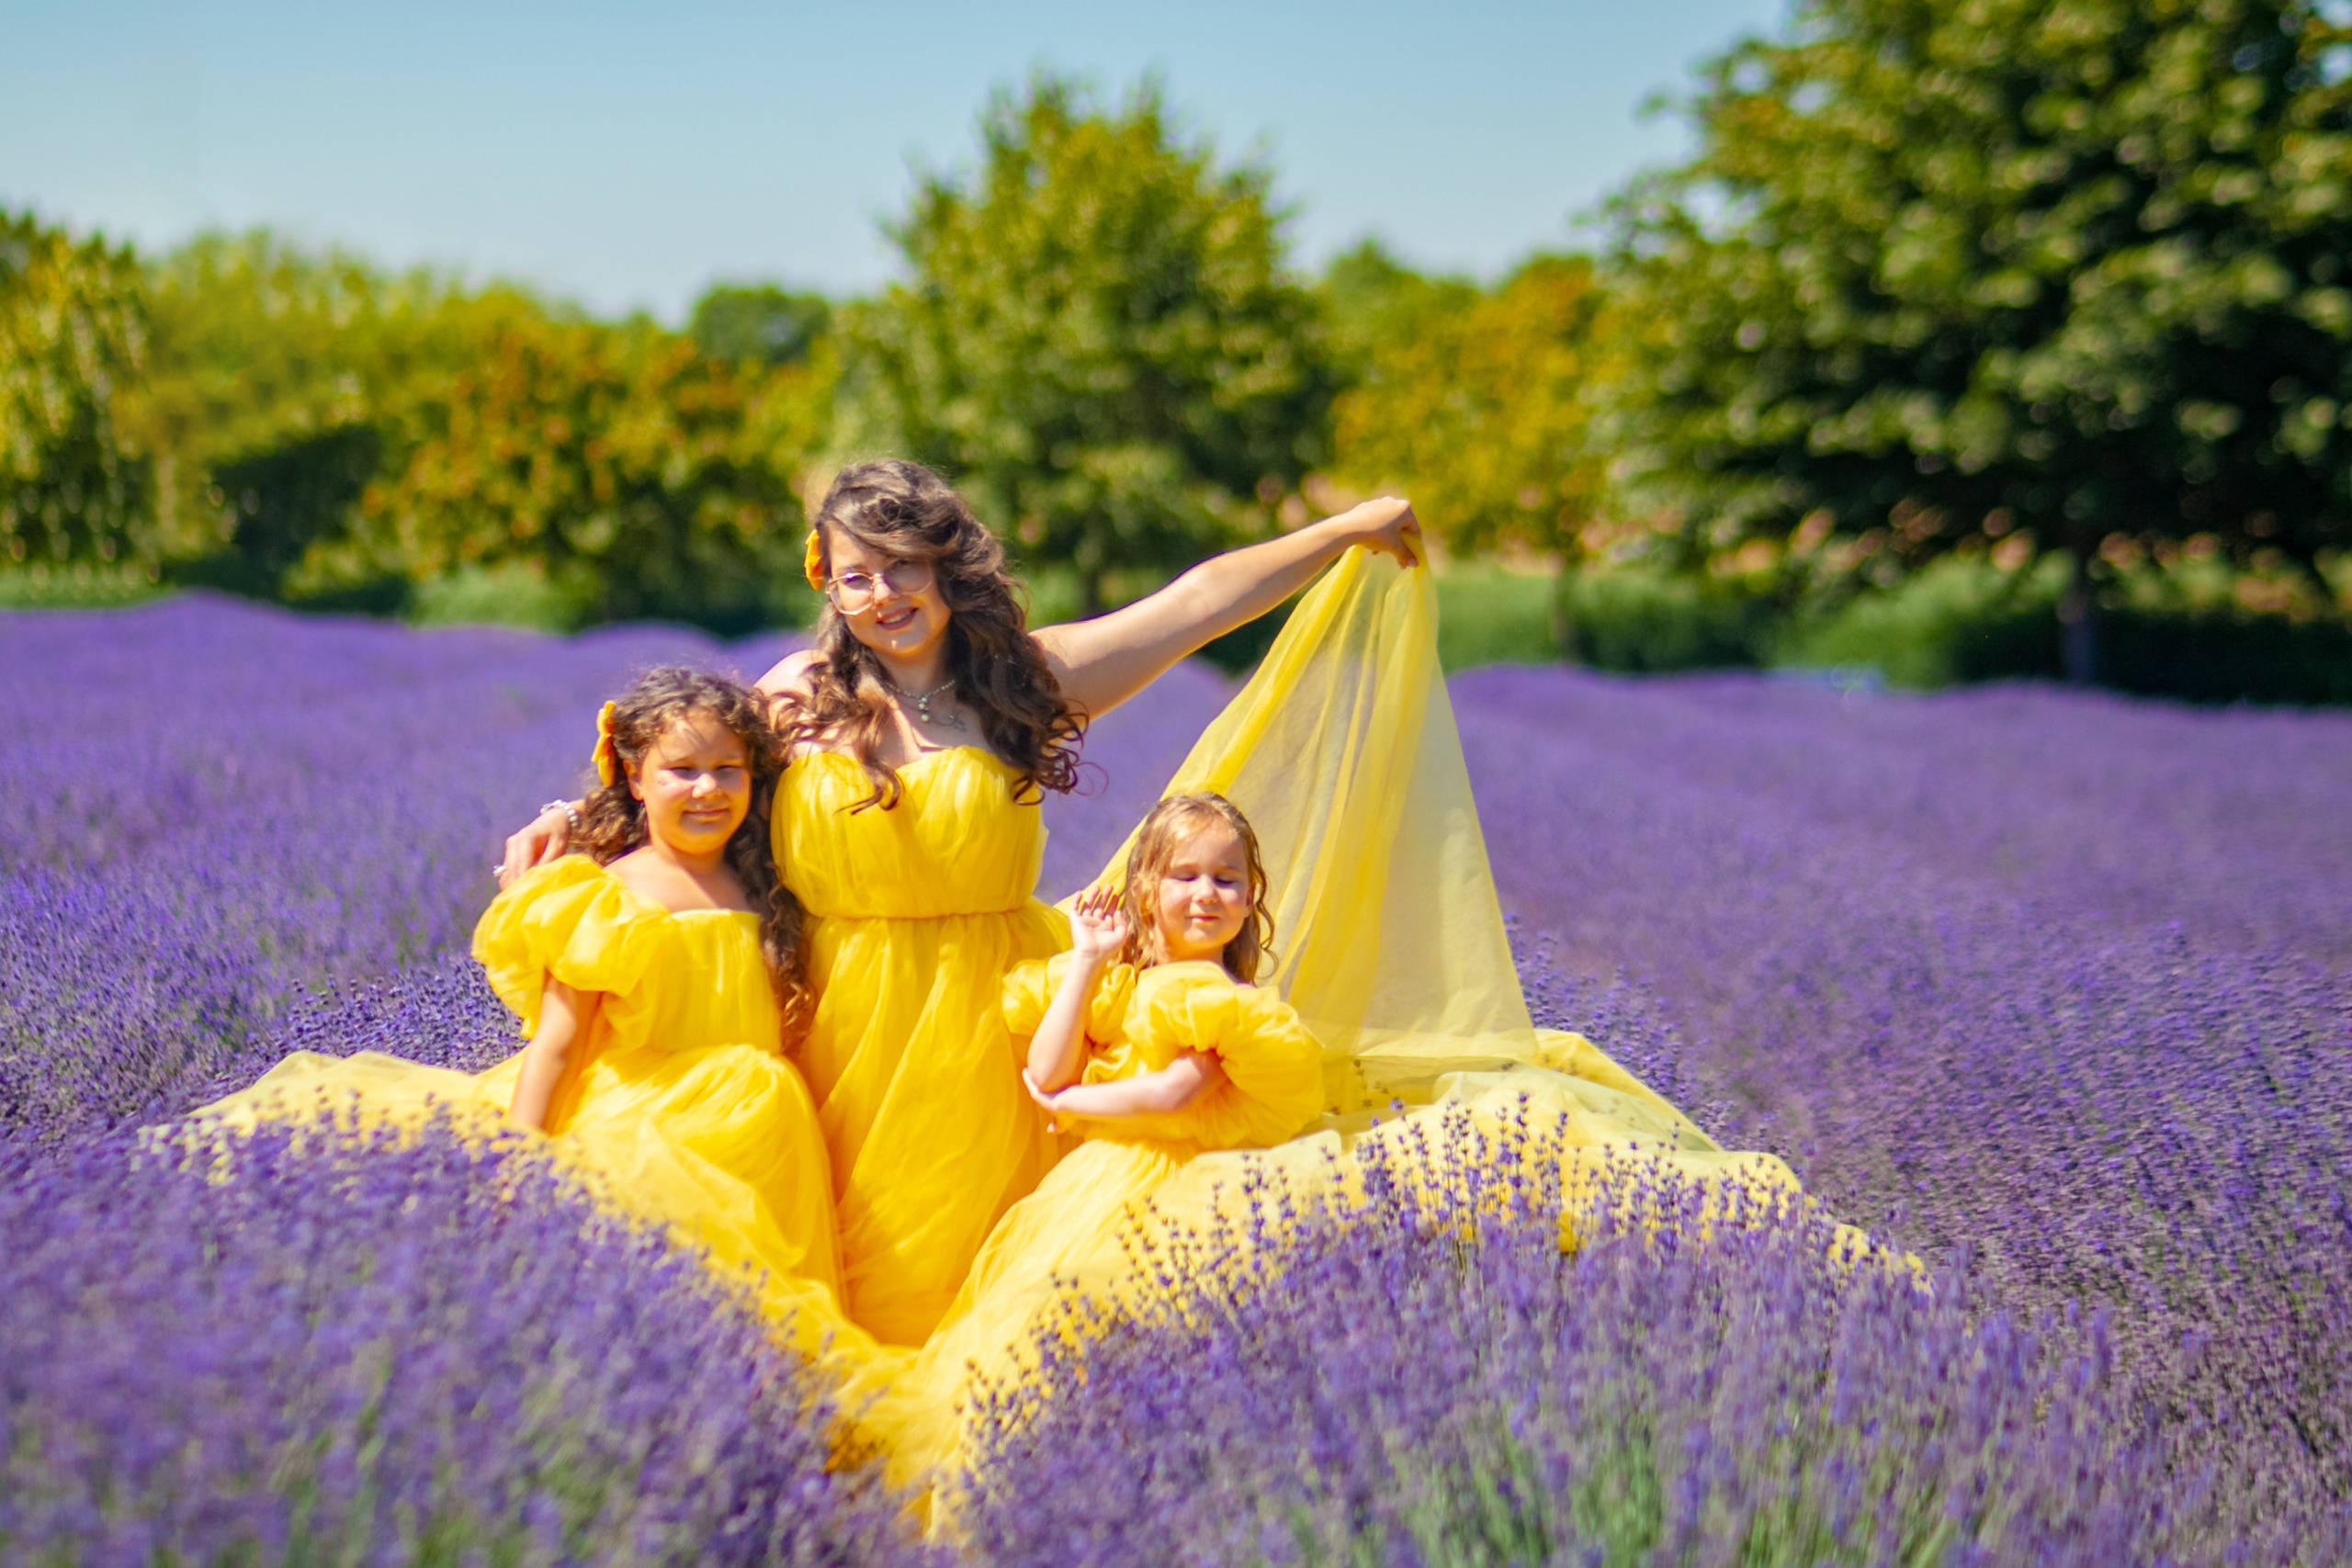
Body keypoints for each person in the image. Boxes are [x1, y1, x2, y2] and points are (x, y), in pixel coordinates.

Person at [501, 459, 1421, 1349]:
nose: (882, 594)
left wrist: (1345, 528)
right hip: (831, 1023)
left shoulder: (1021, 684)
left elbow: (1190, 605)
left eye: (902, 565)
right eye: (855, 575)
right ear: (829, 587)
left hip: (987, 1026)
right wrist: (569, 818)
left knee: (967, 1286)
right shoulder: (797, 697)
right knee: (829, 1279)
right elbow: (686, 767)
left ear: (947, 565)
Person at [199, 668, 862, 1360]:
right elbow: (558, 1043)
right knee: (648, 1297)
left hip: (760, 1131)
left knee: (757, 1309)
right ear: (635, 779)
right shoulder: (611, 893)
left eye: (728, 769)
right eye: (681, 771)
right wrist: (516, 1160)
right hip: (649, 1125)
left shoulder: (766, 876)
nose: (707, 789)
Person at [866, 793, 1322, 1482]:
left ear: (1252, 893)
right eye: (1185, 875)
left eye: (1226, 879)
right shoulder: (1119, 984)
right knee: (1038, 1344)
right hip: (1095, 1191)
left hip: (1178, 1193)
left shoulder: (1220, 997)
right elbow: (1046, 1064)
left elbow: (1174, 1093)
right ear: (1145, 889)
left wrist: (1074, 1105)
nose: (1206, 893)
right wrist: (1085, 959)